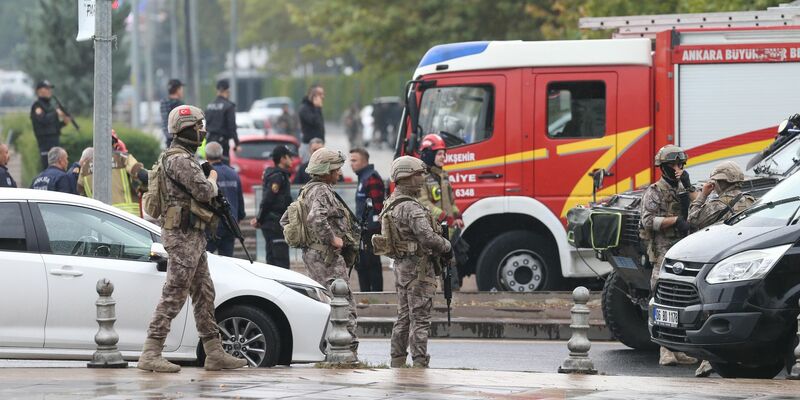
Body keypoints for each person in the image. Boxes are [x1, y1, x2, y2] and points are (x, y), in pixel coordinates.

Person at [138, 105, 247, 373]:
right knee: (175, 293)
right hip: (182, 236)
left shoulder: (183, 157)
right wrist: (212, 178)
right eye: (198, 127)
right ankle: (151, 352)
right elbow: (203, 192)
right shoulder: (179, 160)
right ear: (186, 129)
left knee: (204, 293)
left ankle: (214, 352)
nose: (202, 132)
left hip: (192, 237)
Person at [281, 148, 360, 355]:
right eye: (336, 169)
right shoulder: (321, 190)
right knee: (344, 302)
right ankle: (347, 351)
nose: (339, 173)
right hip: (326, 257)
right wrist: (332, 238)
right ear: (326, 171)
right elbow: (316, 217)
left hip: (317, 254)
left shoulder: (307, 189)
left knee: (329, 300)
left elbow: (285, 219)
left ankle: (333, 348)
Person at [687, 160, 755, 377]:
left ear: (721, 183)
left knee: (711, 311)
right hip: (744, 263)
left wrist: (702, 195)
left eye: (714, 182)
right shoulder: (752, 201)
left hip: (718, 263)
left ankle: (710, 358)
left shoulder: (717, 204)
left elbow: (692, 219)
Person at [384, 156, 453, 368]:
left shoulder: (392, 201)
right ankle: (420, 361)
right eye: (418, 174)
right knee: (420, 318)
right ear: (406, 177)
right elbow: (427, 237)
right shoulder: (411, 207)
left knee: (403, 315)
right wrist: (447, 247)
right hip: (418, 269)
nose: (422, 177)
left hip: (402, 267)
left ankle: (397, 359)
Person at [640, 145, 699, 367]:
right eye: (673, 165)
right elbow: (648, 221)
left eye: (681, 164)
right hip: (664, 252)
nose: (677, 168)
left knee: (682, 300)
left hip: (686, 252)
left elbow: (700, 205)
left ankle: (679, 348)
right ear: (663, 167)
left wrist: (687, 184)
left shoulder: (686, 187)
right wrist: (675, 221)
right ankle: (665, 349)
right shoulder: (654, 191)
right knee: (661, 298)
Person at [417, 133, 463, 289]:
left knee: (450, 263)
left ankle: (452, 292)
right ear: (429, 154)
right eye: (439, 154)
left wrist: (456, 215)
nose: (444, 157)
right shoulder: (421, 177)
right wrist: (443, 216)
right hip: (431, 229)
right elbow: (423, 203)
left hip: (446, 229)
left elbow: (451, 201)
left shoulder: (443, 175)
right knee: (430, 264)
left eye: (444, 154)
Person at [77, 132, 147, 215]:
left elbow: (80, 191)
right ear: (115, 144)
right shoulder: (123, 158)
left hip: (98, 217)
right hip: (127, 217)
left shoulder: (85, 167)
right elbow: (143, 175)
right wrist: (143, 188)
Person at [251, 145, 294, 268]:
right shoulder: (277, 177)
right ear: (282, 159)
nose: (292, 159)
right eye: (289, 157)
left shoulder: (282, 176)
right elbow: (268, 200)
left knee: (273, 261)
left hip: (275, 223)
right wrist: (260, 219)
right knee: (281, 262)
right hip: (275, 223)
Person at [349, 147, 385, 291]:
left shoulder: (371, 178)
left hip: (370, 230)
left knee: (372, 264)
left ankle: (376, 296)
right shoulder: (362, 178)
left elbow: (378, 207)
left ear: (364, 161)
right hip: (362, 230)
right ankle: (365, 295)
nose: (351, 163)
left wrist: (373, 230)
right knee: (361, 264)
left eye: (354, 160)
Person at [205, 141, 245, 257]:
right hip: (230, 224)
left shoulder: (207, 175)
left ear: (207, 157)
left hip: (212, 226)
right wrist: (239, 217)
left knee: (207, 260)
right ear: (221, 155)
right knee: (228, 261)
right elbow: (240, 201)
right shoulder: (233, 173)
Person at [30, 80, 71, 170]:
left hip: (55, 142)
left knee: (58, 168)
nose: (49, 91)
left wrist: (64, 122)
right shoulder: (37, 106)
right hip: (45, 144)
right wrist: (55, 113)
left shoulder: (50, 106)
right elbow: (43, 121)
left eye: (50, 89)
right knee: (47, 168)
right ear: (39, 91)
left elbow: (54, 126)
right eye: (47, 88)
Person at [205, 79, 239, 163]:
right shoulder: (229, 106)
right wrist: (236, 143)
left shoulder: (209, 106)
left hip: (209, 141)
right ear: (228, 90)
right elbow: (232, 127)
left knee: (210, 168)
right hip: (222, 143)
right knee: (223, 168)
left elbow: (206, 124)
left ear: (217, 90)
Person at [298, 84, 325, 162]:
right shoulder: (304, 108)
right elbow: (315, 122)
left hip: (318, 146)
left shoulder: (315, 108)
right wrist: (318, 107)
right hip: (308, 147)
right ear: (313, 95)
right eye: (320, 94)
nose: (323, 97)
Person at [160, 79, 184, 148]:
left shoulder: (163, 102)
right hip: (179, 141)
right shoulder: (180, 105)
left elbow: (165, 122)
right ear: (178, 90)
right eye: (181, 89)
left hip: (168, 140)